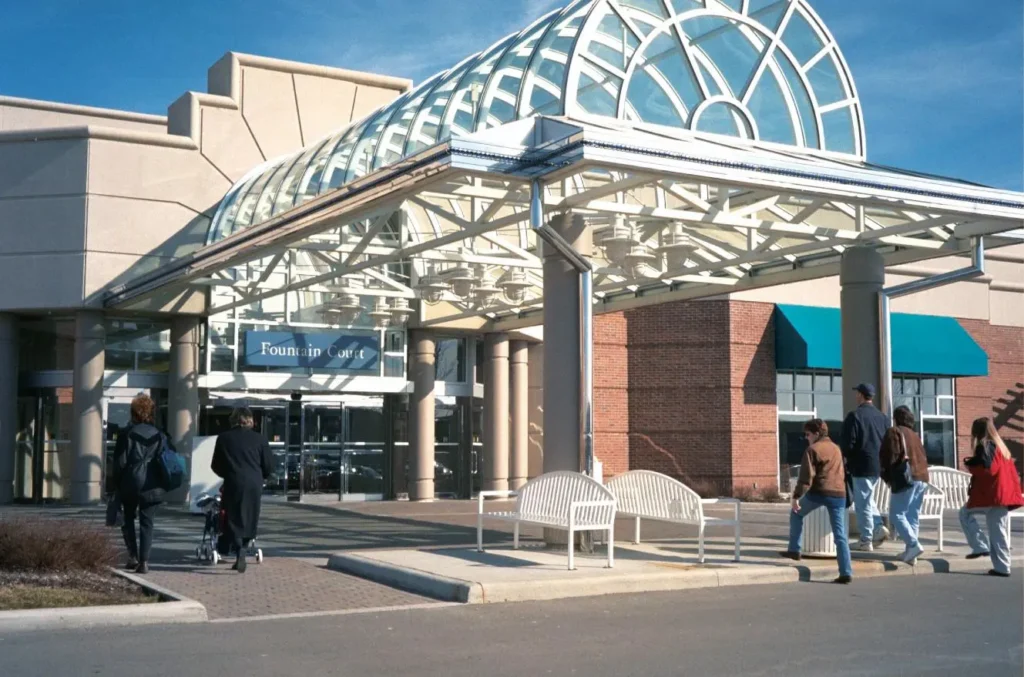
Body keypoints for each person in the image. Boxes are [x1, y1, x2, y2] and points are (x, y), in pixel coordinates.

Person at [779, 419, 853, 584]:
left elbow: (806, 478)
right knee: (840, 535)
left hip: (819, 492)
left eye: (808, 434)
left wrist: (796, 496)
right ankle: (846, 571)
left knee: (796, 513)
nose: (806, 437)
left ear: (816, 434)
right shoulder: (836, 448)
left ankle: (794, 550)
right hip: (839, 494)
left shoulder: (812, 450)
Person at [959, 417, 1023, 578]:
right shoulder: (1001, 448)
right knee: (998, 531)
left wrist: (970, 463)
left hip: (992, 495)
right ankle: (1002, 566)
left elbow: (987, 468)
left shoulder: (985, 446)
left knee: (965, 514)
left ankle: (980, 546)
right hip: (1002, 495)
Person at [211, 407, 273, 573]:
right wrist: (263, 476)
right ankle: (243, 553)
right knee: (250, 517)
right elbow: (268, 465)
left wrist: (228, 474)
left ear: (234, 419)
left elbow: (215, 465)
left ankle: (239, 552)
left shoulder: (224, 438)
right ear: (250, 420)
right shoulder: (260, 439)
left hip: (233, 482)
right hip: (254, 483)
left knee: (233, 517)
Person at [111, 394, 166, 574]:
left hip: (130, 481)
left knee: (127, 519)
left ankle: (132, 555)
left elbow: (120, 463)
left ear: (133, 413)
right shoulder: (160, 434)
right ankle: (144, 561)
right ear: (151, 412)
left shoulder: (126, 434)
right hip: (152, 483)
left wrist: (115, 485)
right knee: (147, 522)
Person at [840, 383, 890, 551]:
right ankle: (877, 526)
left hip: (861, 465)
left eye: (857, 394)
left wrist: (846, 458)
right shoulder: (883, 418)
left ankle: (866, 539)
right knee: (867, 497)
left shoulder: (854, 416)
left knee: (862, 503)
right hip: (877, 465)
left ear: (861, 395)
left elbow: (848, 444)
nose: (856, 397)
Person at [879, 405, 930, 563]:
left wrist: (887, 476)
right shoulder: (915, 435)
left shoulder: (894, 432)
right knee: (912, 516)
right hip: (922, 478)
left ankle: (913, 544)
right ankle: (910, 552)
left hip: (906, 478)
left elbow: (890, 457)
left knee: (896, 514)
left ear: (896, 418)